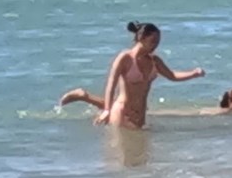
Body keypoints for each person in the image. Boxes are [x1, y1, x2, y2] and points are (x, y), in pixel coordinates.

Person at [60, 22, 205, 128]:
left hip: (139, 116)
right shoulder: (125, 58)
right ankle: (83, 96)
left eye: (158, 42)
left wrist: (193, 74)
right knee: (120, 161)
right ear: (141, 37)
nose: (156, 45)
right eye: (153, 41)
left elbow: (172, 75)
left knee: (141, 162)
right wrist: (107, 111)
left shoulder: (154, 61)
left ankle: (84, 96)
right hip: (122, 112)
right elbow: (111, 85)